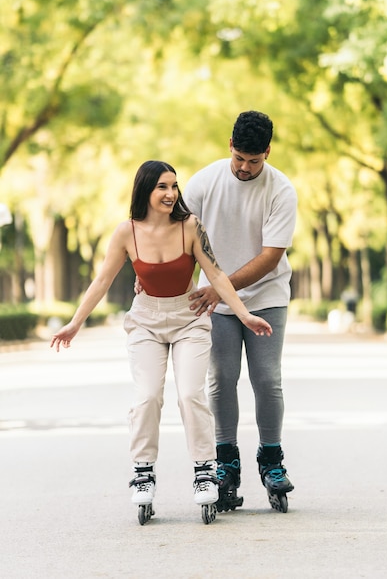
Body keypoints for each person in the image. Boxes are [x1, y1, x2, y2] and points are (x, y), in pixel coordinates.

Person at [50, 160, 272, 522]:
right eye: (162, 188)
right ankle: (143, 471)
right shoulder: (127, 233)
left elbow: (215, 274)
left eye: (174, 187)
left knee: (189, 393)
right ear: (145, 191)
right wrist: (75, 323)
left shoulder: (190, 227)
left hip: (189, 319)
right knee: (147, 395)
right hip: (146, 322)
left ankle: (204, 470)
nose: (171, 194)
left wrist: (244, 314)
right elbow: (102, 281)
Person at [183, 110, 297, 512]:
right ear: (230, 146)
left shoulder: (281, 190)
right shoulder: (202, 183)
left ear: (267, 152)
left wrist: (220, 288)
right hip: (217, 300)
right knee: (221, 378)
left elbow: (269, 258)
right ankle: (225, 459)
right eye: (240, 159)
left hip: (266, 296)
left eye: (255, 160)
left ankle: (271, 457)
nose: (246, 168)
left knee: (267, 379)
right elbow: (177, 238)